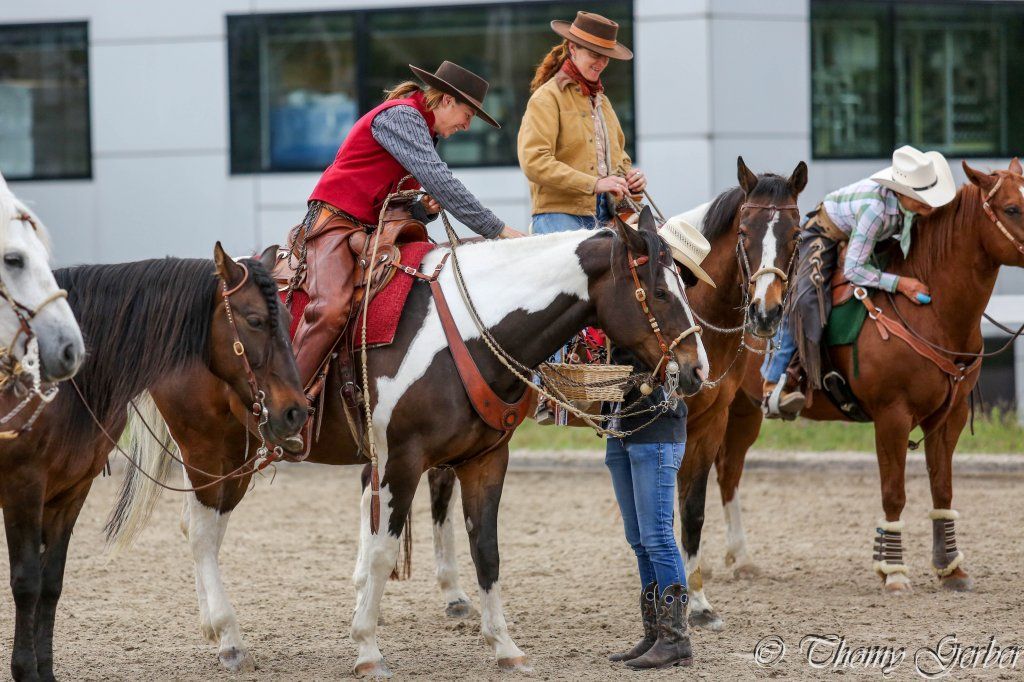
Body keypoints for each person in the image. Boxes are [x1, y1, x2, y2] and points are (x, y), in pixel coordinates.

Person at [287, 61, 524, 394]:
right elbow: (440, 179)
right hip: (335, 222)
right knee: (330, 310)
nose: (467, 126)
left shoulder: (417, 127)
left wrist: (418, 210)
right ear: (446, 101)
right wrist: (496, 229)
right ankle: (286, 406)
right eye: (467, 115)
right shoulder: (403, 117)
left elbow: (391, 199)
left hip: (368, 230)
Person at [761, 145, 957, 418]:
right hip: (824, 232)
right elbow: (853, 269)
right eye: (920, 196)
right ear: (901, 192)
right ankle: (775, 382)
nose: (930, 203)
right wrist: (901, 284)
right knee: (806, 298)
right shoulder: (875, 210)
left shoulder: (914, 208)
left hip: (866, 237)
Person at [605, 216, 714, 670]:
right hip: (625, 426)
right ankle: (655, 632)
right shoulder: (647, 304)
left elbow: (684, 373)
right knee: (640, 537)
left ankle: (675, 638)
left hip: (656, 428)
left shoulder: (673, 313)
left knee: (656, 536)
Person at [517, 11, 645, 234]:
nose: (602, 62)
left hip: (607, 215)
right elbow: (534, 161)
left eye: (606, 56)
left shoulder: (602, 102)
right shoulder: (546, 98)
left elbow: (619, 158)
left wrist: (630, 180)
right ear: (573, 48)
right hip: (559, 215)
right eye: (595, 54)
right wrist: (594, 184)